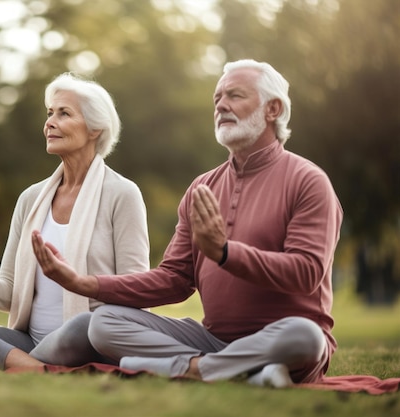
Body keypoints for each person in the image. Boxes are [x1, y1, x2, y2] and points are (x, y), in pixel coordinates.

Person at [32, 59, 343, 388]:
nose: (221, 105)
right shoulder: (202, 186)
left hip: (283, 341)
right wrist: (84, 283)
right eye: (217, 99)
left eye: (235, 96)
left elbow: (307, 272)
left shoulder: (308, 181)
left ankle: (193, 370)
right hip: (212, 340)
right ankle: (235, 370)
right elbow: (174, 279)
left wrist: (225, 253)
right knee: (103, 322)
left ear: (272, 109)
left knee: (307, 335)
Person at [0, 73, 150, 370]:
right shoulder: (31, 199)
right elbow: (12, 292)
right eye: (49, 113)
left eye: (64, 113)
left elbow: (137, 291)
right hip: (28, 341)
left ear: (95, 129)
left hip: (86, 338)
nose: (49, 122)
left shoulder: (122, 194)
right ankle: (31, 365)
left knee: (85, 324)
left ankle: (13, 363)